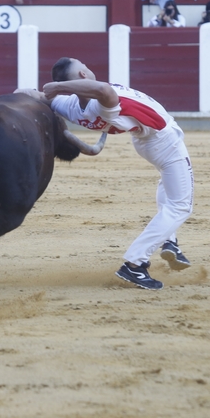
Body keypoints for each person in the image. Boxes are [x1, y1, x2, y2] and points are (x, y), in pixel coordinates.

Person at [39, 58, 194, 290]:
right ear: (83, 74)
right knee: (181, 206)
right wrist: (59, 87)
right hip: (163, 141)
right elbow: (102, 89)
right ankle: (135, 264)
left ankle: (169, 241)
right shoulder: (100, 103)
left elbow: (30, 94)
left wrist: (48, 90)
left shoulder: (69, 106)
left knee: (169, 186)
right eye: (85, 65)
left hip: (146, 141)